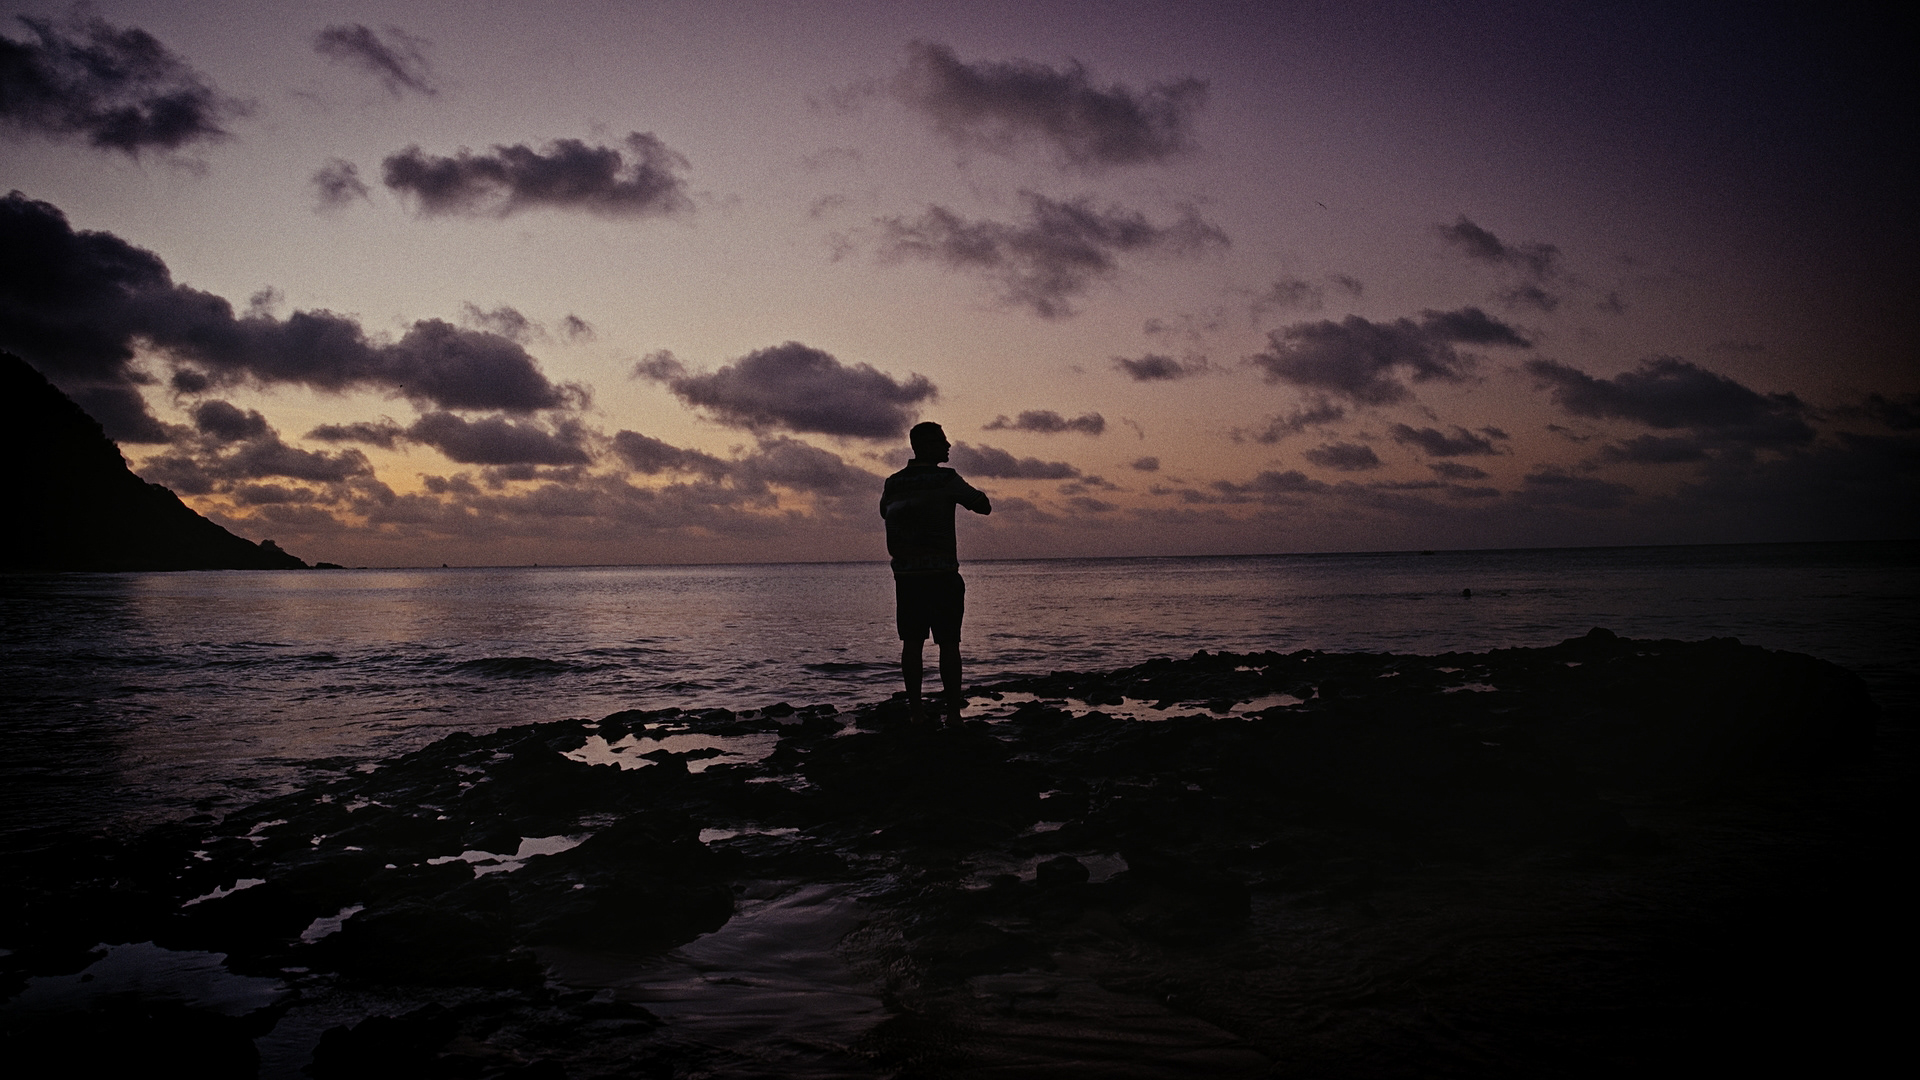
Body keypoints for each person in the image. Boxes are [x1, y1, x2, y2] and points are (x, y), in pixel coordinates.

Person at [881, 421, 991, 718]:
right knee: (949, 644)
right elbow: (982, 505)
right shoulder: (947, 479)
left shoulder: (893, 483)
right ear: (927, 446)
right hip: (942, 575)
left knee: (911, 644)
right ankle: (953, 715)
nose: (948, 446)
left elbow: (884, 512)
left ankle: (916, 713)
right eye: (943, 441)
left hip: (906, 577)